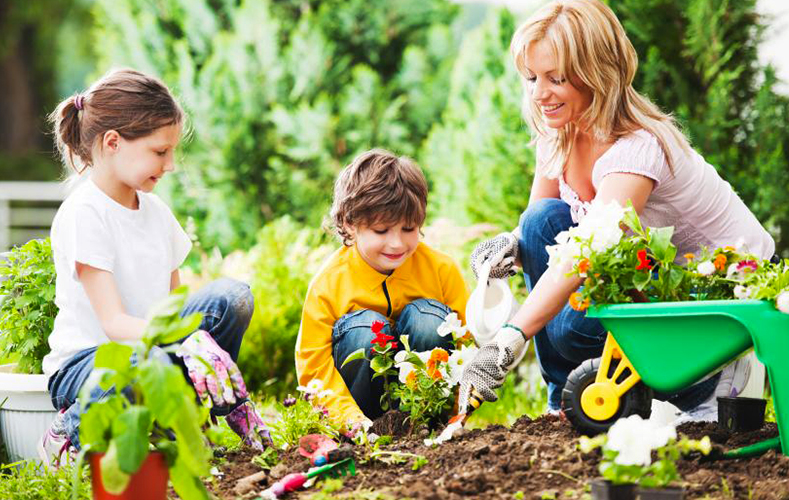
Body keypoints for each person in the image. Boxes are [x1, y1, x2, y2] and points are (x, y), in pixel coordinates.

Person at [459, 0, 774, 422]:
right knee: (539, 224)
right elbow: (540, 224)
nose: (538, 93)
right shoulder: (560, 131)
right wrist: (509, 247)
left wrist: (509, 340)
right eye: (532, 77)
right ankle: (563, 400)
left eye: (556, 78)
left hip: (712, 305)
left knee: (571, 327)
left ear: (597, 74)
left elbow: (586, 249)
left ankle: (704, 380)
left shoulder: (638, 148)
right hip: (648, 280)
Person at [39, 68, 271, 467]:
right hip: (88, 364)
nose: (170, 164)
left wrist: (200, 347)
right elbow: (114, 323)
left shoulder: (156, 212)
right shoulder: (85, 213)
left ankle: (187, 416)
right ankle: (70, 431)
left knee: (232, 298)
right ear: (113, 142)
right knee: (150, 361)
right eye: (160, 152)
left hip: (151, 351)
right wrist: (186, 340)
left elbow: (174, 305)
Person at [296, 149, 470, 426]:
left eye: (408, 229)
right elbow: (314, 367)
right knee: (364, 329)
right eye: (381, 231)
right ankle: (370, 427)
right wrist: (351, 422)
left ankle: (425, 424)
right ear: (350, 224)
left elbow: (467, 345)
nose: (397, 244)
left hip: (426, 402)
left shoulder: (441, 270)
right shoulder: (328, 283)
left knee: (429, 321)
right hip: (360, 416)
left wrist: (458, 415)